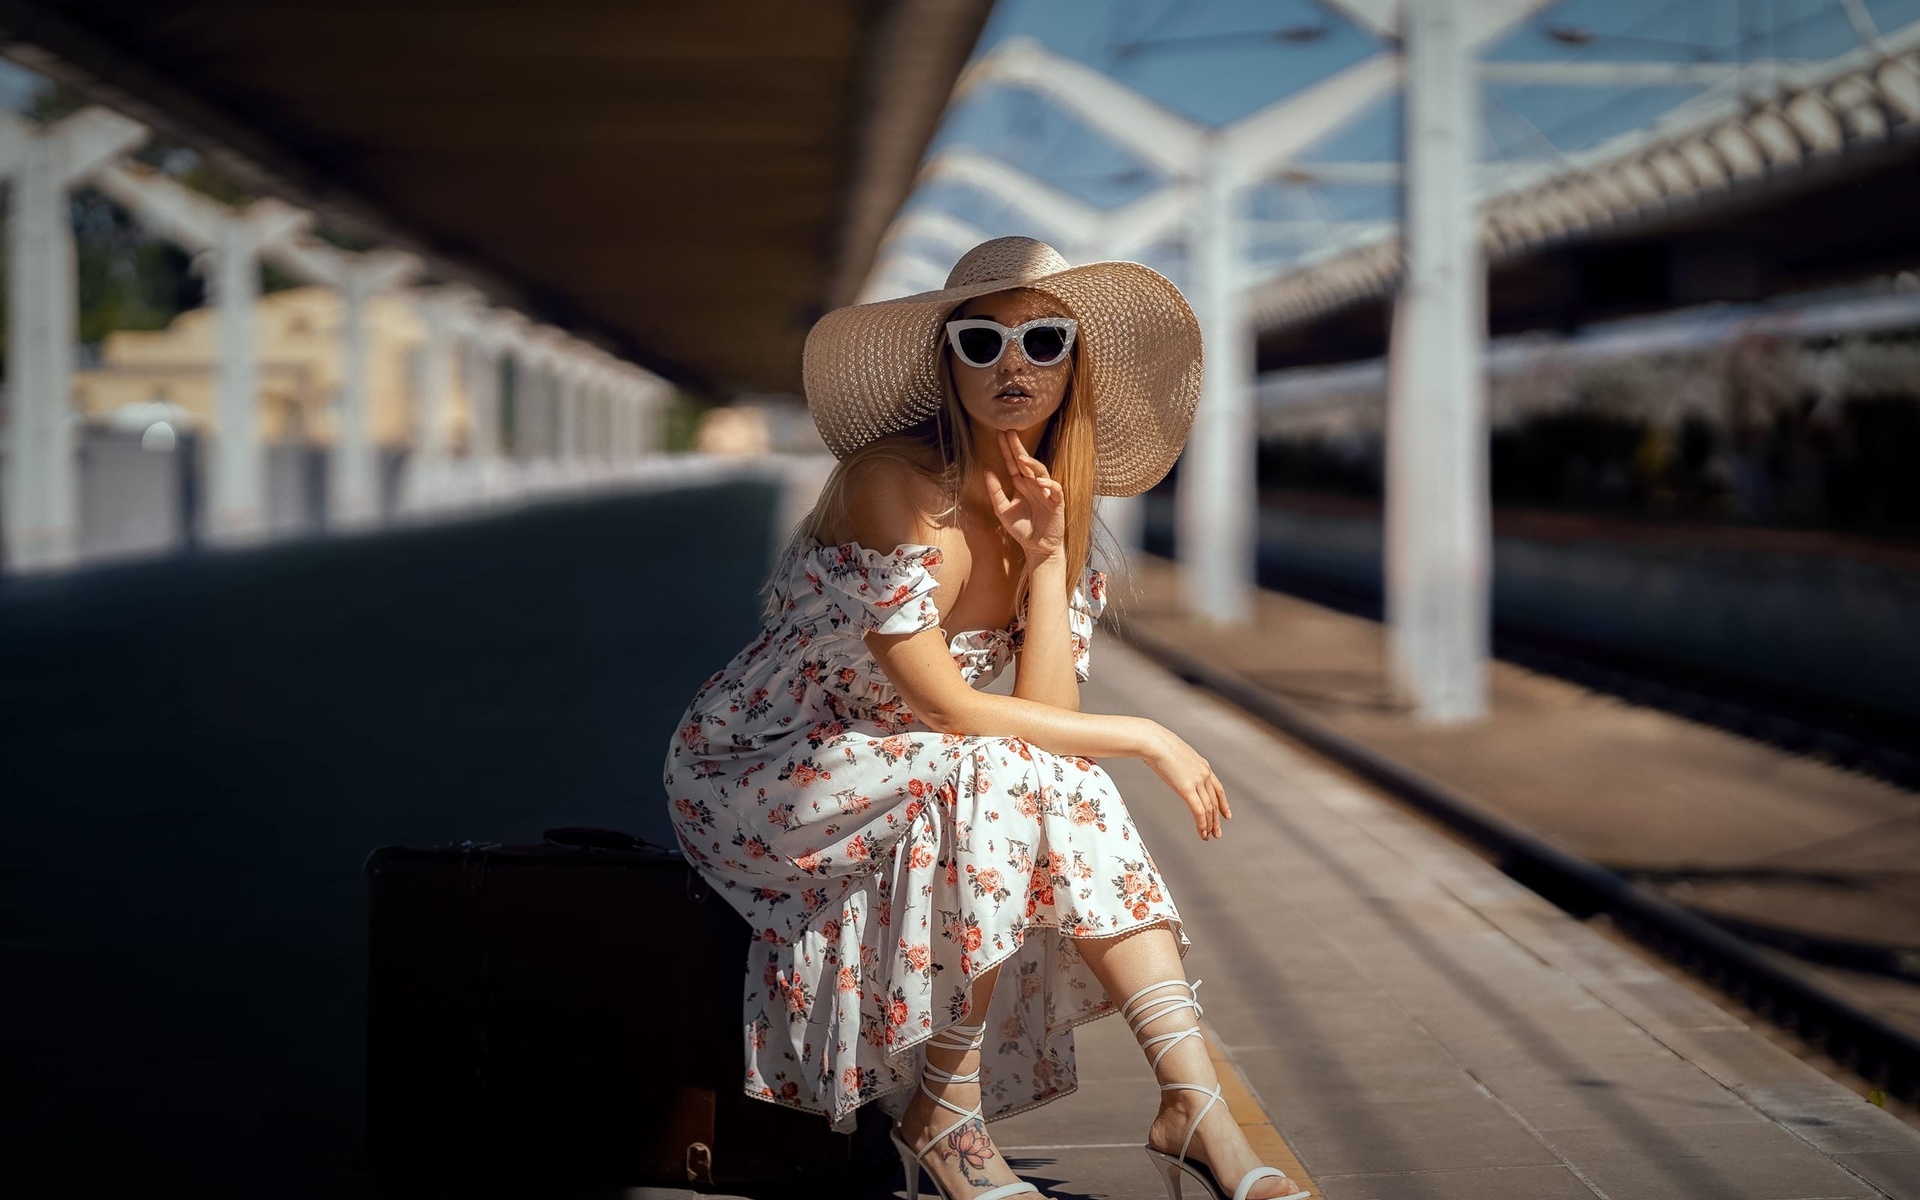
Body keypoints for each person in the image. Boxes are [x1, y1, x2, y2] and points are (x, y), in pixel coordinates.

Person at [663, 236, 1309, 1200]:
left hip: (919, 766)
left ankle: (1189, 1099)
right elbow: (952, 704)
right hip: (769, 768)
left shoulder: (1058, 513)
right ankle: (946, 1120)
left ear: (1072, 367)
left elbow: (1041, 719)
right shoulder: (894, 485)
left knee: (1030, 772)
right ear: (947, 361)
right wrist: (1148, 733)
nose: (1014, 365)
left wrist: (1047, 557)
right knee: (1007, 765)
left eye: (1044, 341)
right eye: (983, 342)